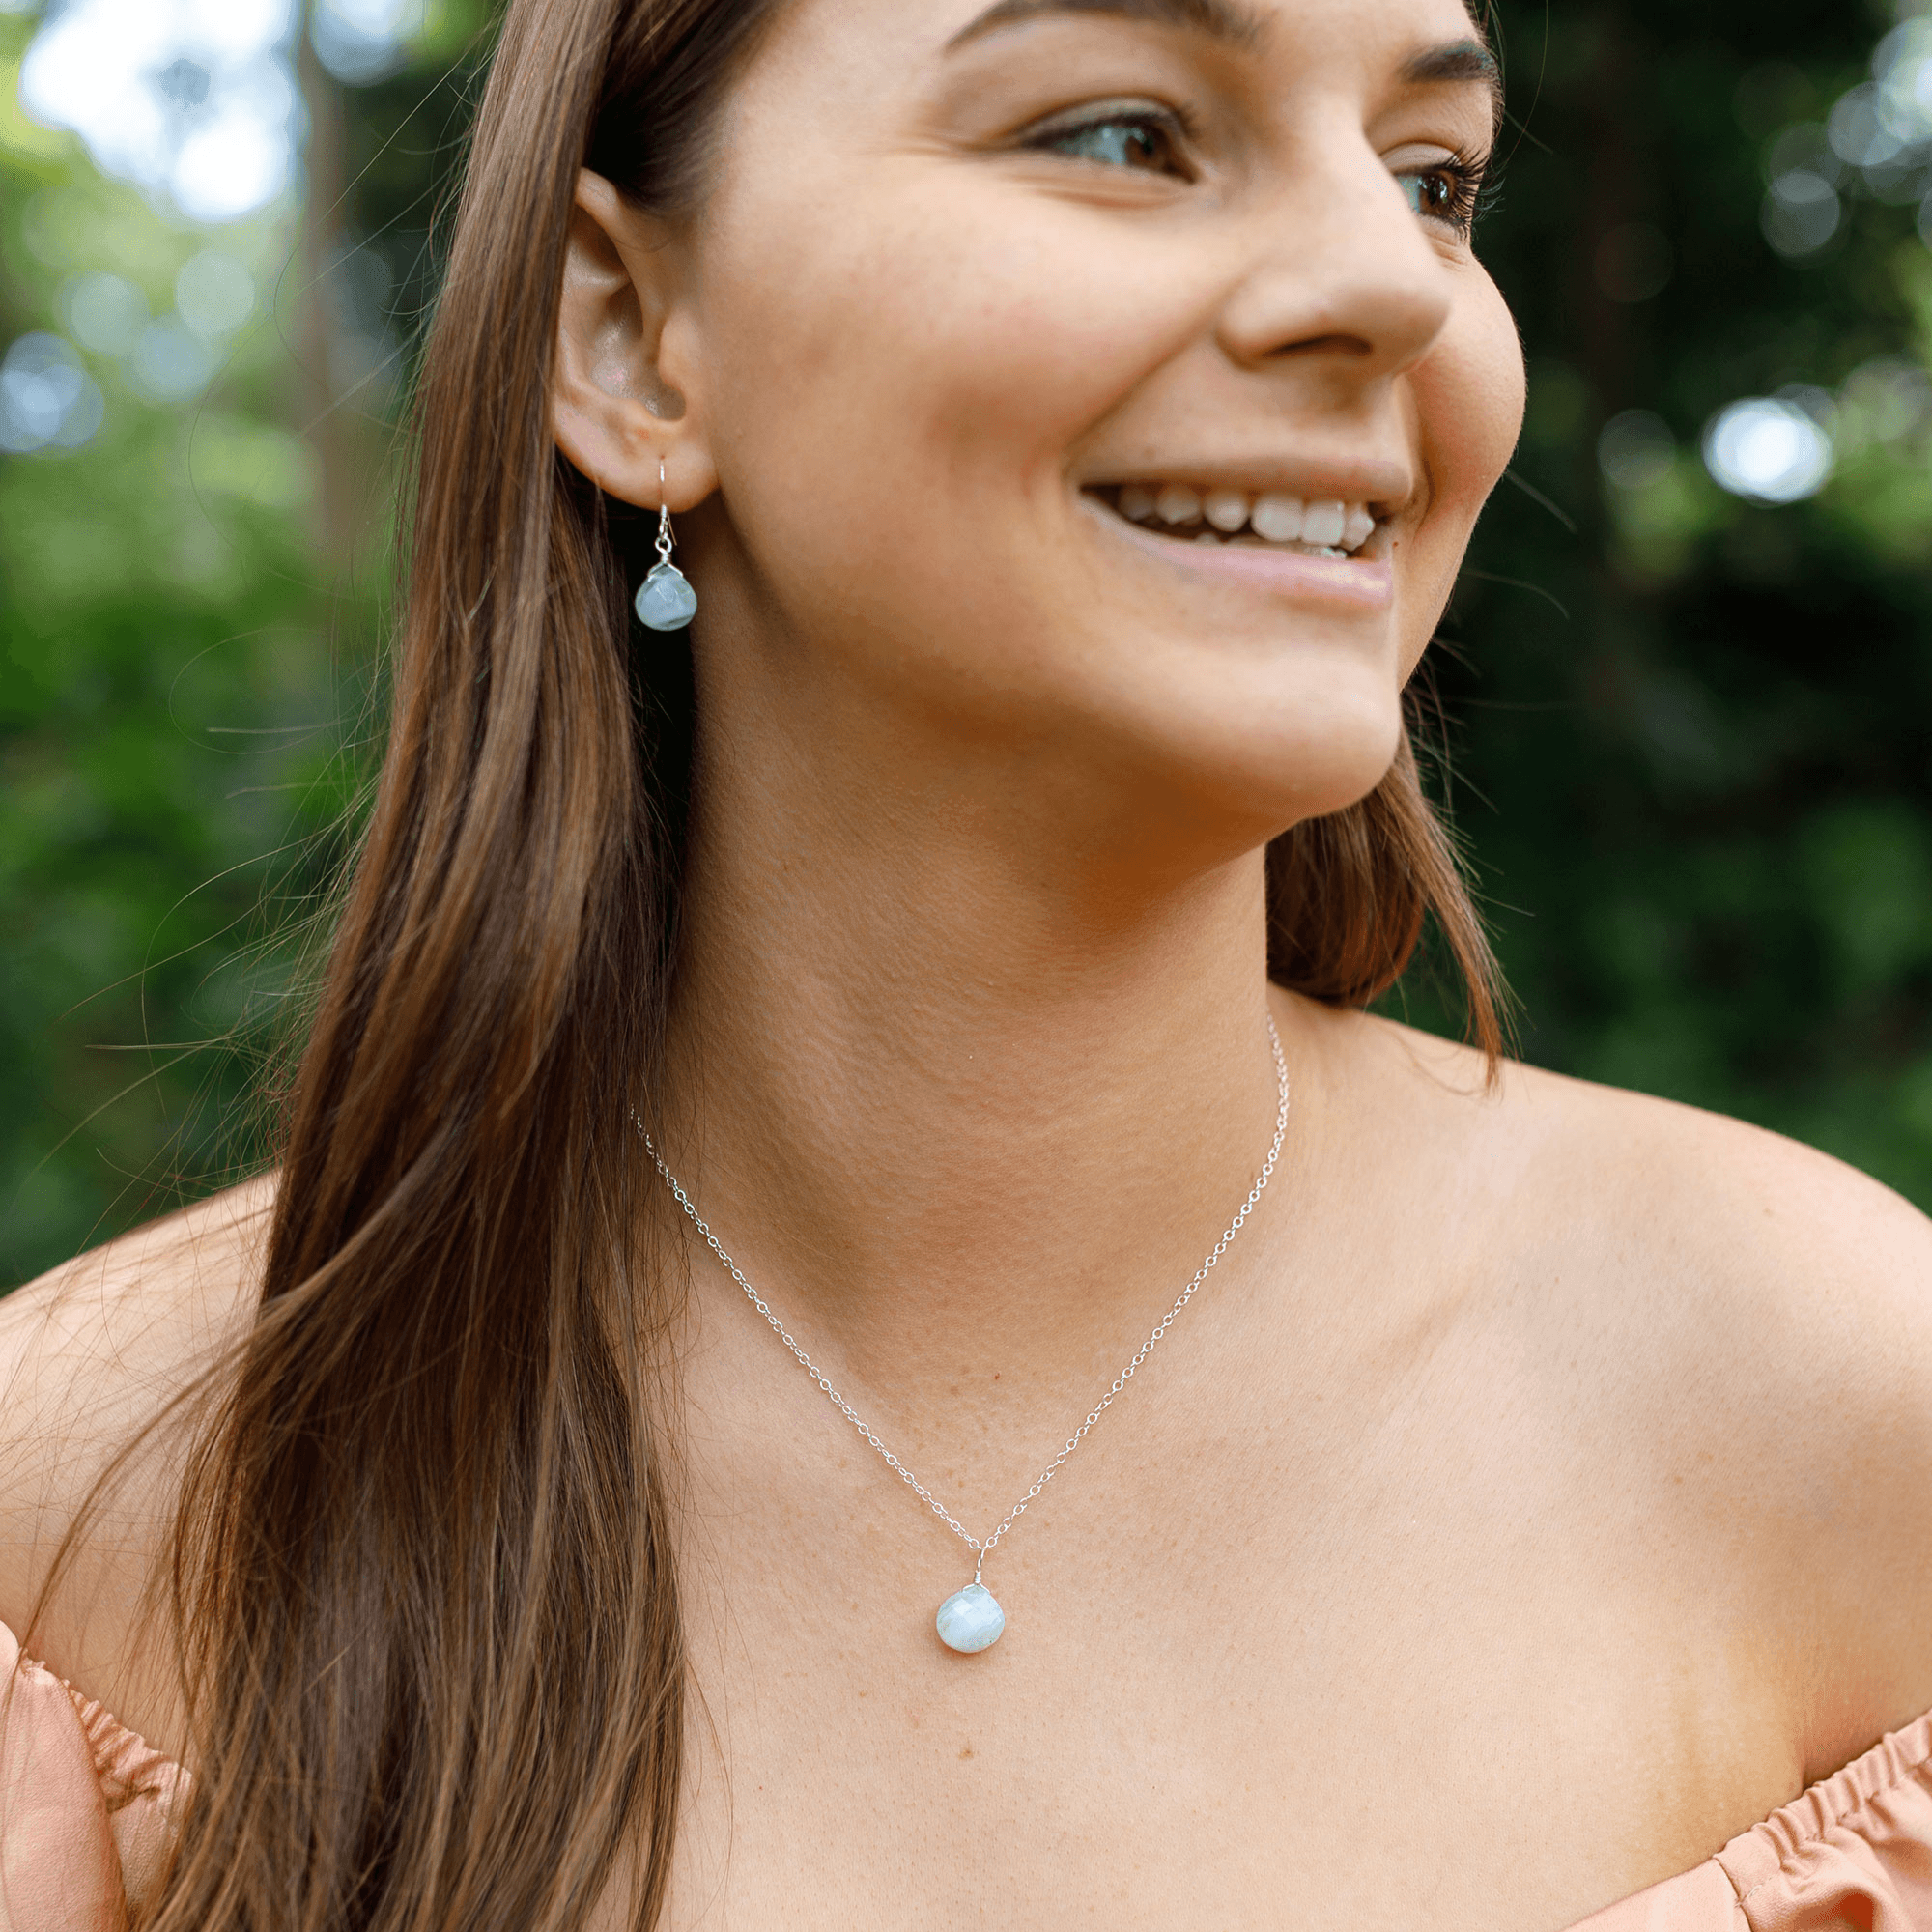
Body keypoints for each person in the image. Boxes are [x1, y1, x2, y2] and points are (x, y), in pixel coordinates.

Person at [4, 0, 1930, 1926]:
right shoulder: (75, 1519)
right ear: (625, 334)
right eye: (1121, 135)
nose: (1386, 280)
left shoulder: (1841, 1406)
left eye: (1431, 178)